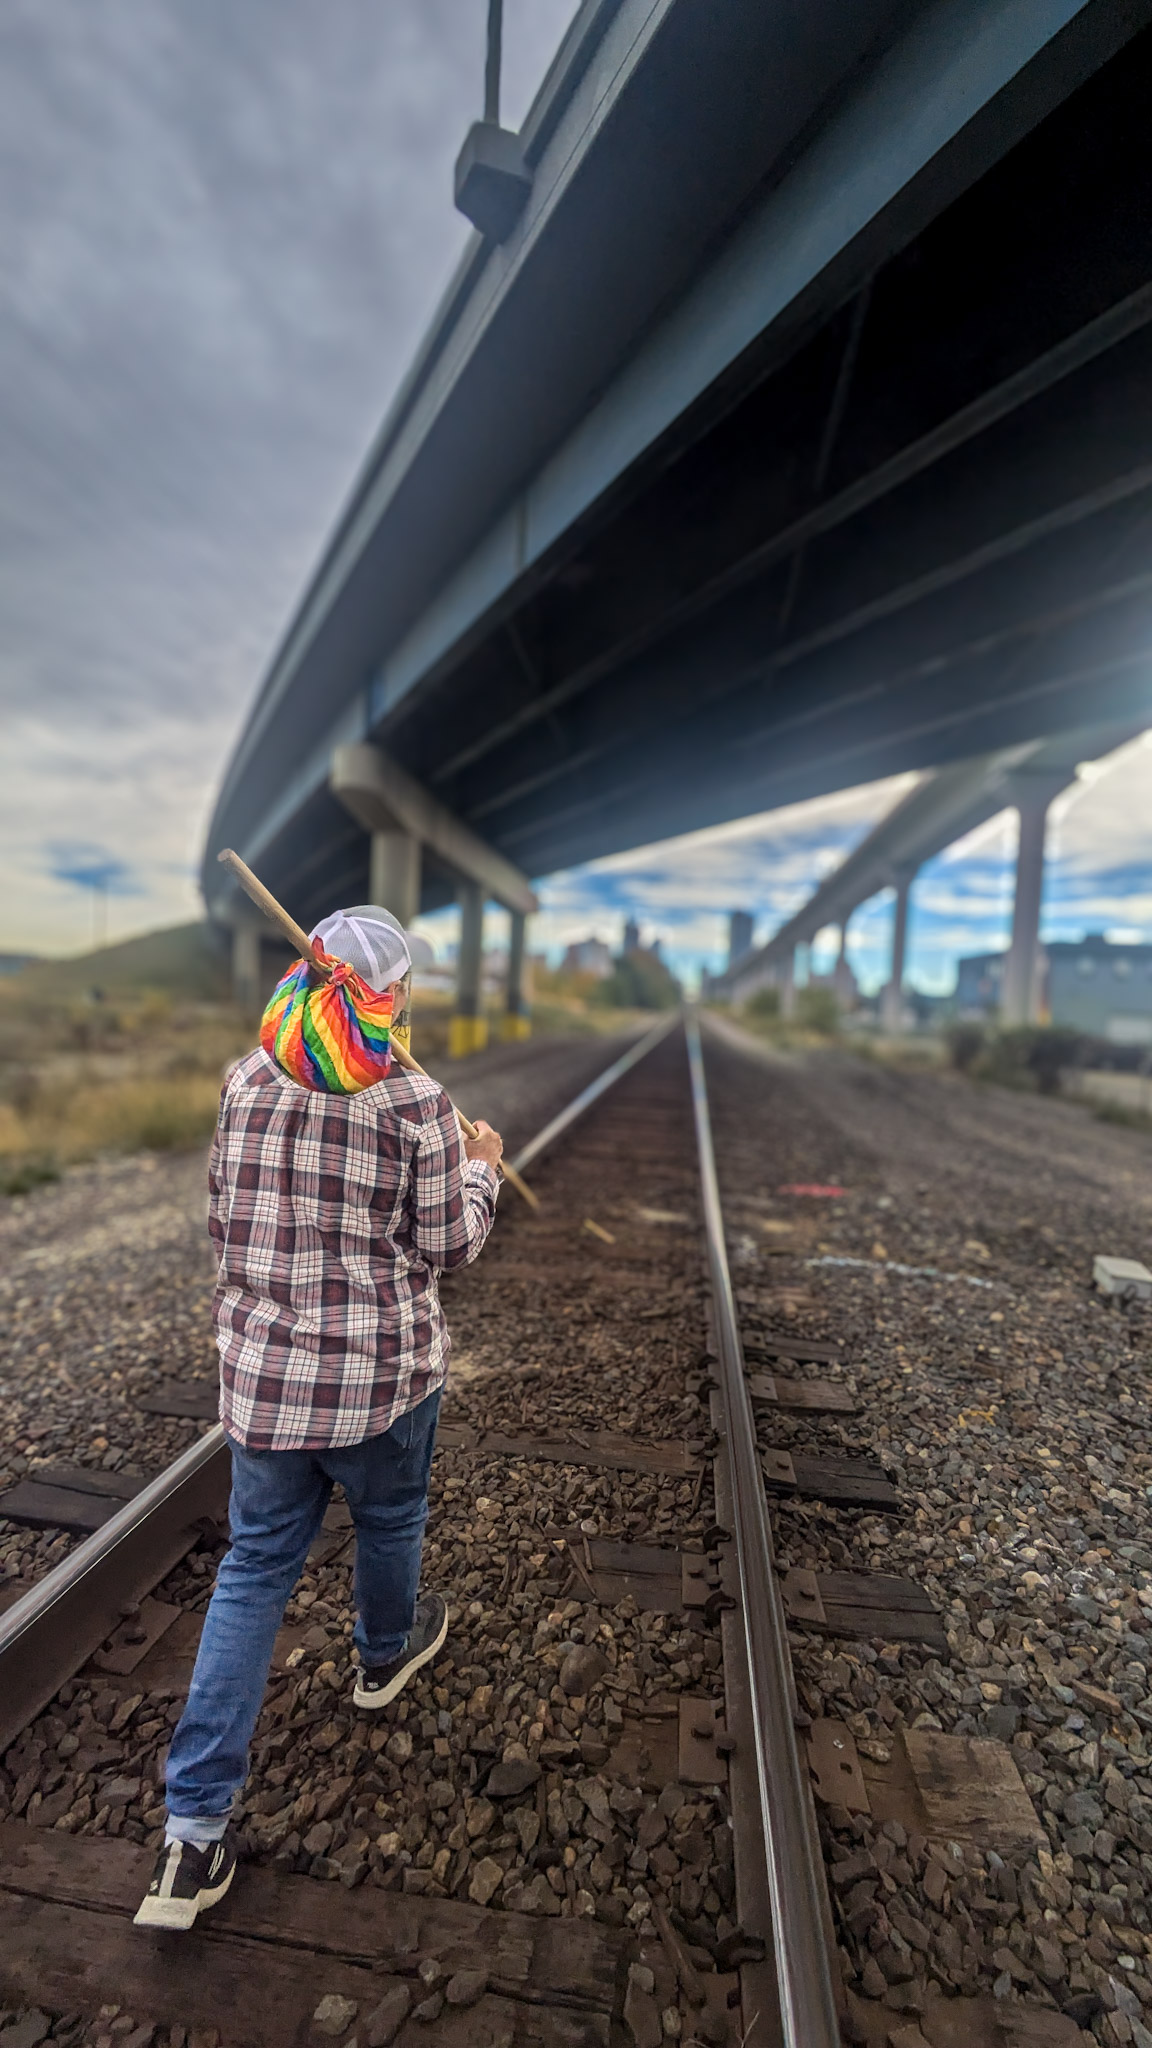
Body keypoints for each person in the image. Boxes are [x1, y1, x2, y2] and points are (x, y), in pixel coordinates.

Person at [135, 905, 503, 1930]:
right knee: (388, 1520)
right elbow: (450, 1246)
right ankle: (383, 1653)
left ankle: (192, 1835)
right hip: (379, 1381)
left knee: (252, 1569)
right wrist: (479, 1165)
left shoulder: (245, 1076)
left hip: (264, 1383)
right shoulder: (414, 1098)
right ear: (392, 996)